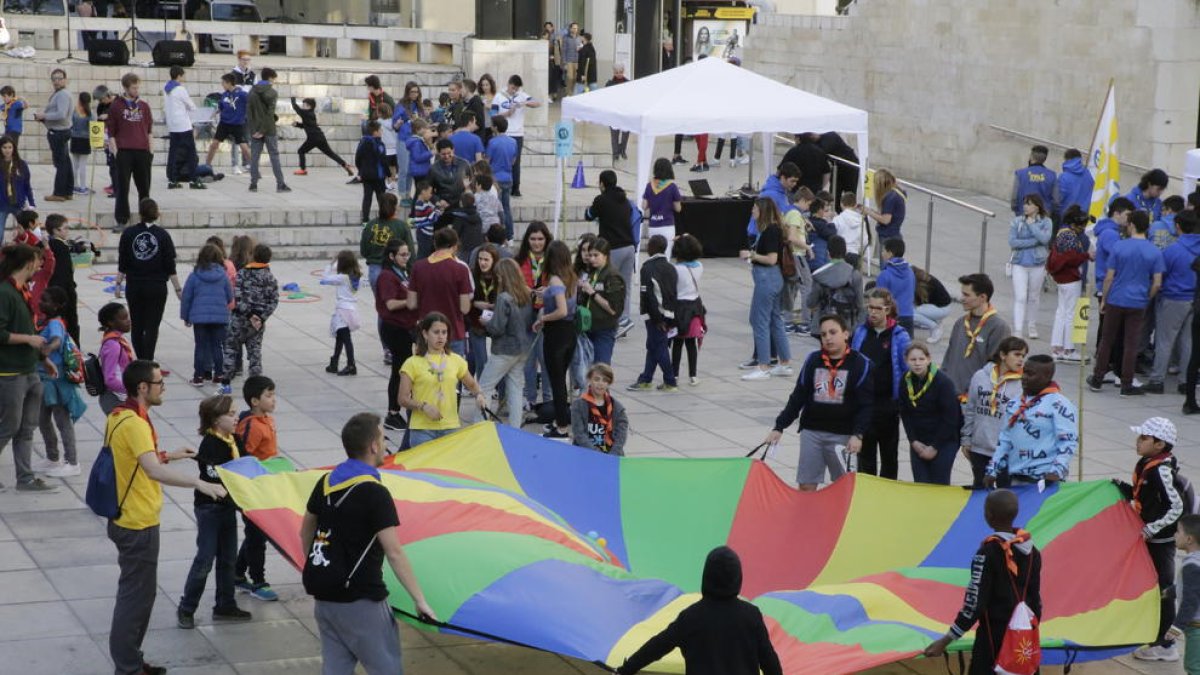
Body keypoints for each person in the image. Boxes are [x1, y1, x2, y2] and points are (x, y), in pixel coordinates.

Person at [104, 359, 226, 674]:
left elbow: (137, 458)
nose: (164, 388)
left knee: (140, 595)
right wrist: (200, 482)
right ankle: (127, 668)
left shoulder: (120, 415)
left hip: (128, 517)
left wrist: (171, 454)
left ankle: (131, 660)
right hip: (137, 522)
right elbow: (151, 470)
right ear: (143, 388)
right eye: (159, 383)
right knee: (136, 599)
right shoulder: (135, 423)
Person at [301, 413, 437, 672]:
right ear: (373, 446)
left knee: (335, 668)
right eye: (383, 438)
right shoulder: (374, 492)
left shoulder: (327, 480)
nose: (385, 444)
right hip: (361, 600)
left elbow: (305, 530)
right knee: (386, 667)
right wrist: (420, 600)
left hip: (325, 598)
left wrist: (316, 565)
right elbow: (394, 551)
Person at [923, 489, 1041, 674]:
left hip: (994, 641)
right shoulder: (1033, 552)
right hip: (1023, 640)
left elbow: (974, 604)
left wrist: (946, 640)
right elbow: (1036, 599)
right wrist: (1027, 629)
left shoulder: (987, 553)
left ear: (989, 515)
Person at [614, 546, 782, 675]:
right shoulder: (751, 616)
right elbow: (769, 662)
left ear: (706, 577)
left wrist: (626, 669)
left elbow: (657, 646)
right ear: (738, 578)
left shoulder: (691, 617)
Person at [766, 314, 873, 490]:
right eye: (823, 334)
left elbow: (866, 405)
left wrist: (858, 434)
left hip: (843, 435)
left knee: (843, 487)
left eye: (833, 332)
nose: (828, 338)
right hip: (812, 432)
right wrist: (779, 427)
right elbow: (798, 396)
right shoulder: (813, 360)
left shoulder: (860, 364)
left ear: (845, 334)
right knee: (806, 484)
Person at [1112, 417, 1186, 662]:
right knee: (1150, 588)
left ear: (1159, 444)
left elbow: (1176, 507)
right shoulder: (1147, 462)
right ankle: (1149, 631)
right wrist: (1121, 488)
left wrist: (1150, 529)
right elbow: (1143, 495)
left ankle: (1165, 645)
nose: (1138, 441)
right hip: (1150, 537)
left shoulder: (1161, 470)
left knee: (1164, 591)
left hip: (1161, 543)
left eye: (1144, 437)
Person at [176, 394, 252, 629]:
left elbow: (246, 463)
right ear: (215, 420)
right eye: (230, 414)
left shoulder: (234, 439)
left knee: (228, 558)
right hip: (209, 508)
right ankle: (187, 607)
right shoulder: (210, 444)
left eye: (236, 412)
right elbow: (216, 476)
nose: (236, 416)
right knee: (205, 558)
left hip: (227, 508)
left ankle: (225, 604)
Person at [1088, 210, 1164, 396]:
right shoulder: (1154, 251)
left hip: (1116, 298)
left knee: (1107, 340)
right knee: (1131, 342)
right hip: (1138, 302)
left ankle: (1097, 378)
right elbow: (1157, 282)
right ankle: (1126, 383)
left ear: (1131, 225)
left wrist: (1104, 298)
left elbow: (1109, 277)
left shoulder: (1119, 247)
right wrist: (1148, 297)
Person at [985, 354, 1078, 486]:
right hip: (1016, 478)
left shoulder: (1059, 405)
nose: (1024, 377)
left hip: (1045, 480)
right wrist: (992, 470)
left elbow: (1068, 441)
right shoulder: (1014, 403)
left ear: (1046, 377)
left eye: (1031, 374)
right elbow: (1005, 439)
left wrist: (1056, 471)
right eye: (1024, 372)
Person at [398, 312, 487, 447]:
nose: (440, 336)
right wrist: (423, 406)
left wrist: (479, 395)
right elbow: (402, 399)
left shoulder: (456, 360)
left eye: (444, 332)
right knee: (425, 468)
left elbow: (472, 384)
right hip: (422, 429)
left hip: (450, 427)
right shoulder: (412, 363)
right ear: (425, 334)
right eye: (436, 332)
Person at [850, 288, 911, 479]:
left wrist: (901, 401)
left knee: (889, 456)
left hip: (888, 405)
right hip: (865, 404)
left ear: (888, 309)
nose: (872, 312)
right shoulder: (861, 331)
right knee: (865, 457)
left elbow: (906, 369)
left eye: (878, 308)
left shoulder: (899, 335)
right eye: (870, 307)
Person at [232, 375, 280, 601]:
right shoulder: (250, 425)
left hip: (266, 484)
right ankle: (258, 580)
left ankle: (237, 573)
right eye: (268, 396)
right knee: (256, 535)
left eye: (273, 395)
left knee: (256, 534)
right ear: (254, 401)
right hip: (252, 488)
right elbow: (243, 457)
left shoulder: (267, 419)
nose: (273, 400)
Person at [113, 199, 179, 360]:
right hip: (156, 286)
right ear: (156, 213)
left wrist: (118, 283)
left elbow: (123, 261)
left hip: (135, 285)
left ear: (140, 213)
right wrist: (178, 288)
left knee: (137, 324)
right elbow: (170, 265)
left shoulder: (128, 233)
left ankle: (141, 358)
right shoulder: (163, 235)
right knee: (152, 325)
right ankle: (148, 359)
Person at [31, 287, 86, 477]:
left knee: (62, 421)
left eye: (45, 300)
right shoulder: (44, 321)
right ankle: (52, 458)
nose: (41, 302)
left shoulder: (55, 323)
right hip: (43, 380)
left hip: (55, 380)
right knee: (43, 420)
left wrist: (46, 349)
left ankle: (72, 462)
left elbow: (57, 340)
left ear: (57, 305)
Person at [961, 337, 1027, 488]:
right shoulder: (980, 376)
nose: (1021, 359)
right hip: (980, 446)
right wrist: (966, 439)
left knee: (1004, 494)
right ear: (1003, 355)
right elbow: (970, 409)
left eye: (1023, 356)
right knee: (980, 489)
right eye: (1016, 354)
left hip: (1005, 451)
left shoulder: (1022, 383)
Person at [477, 257, 534, 428]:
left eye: (499, 276)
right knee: (516, 389)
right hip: (522, 348)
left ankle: (479, 427)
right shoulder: (526, 292)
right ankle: (515, 428)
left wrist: (486, 322)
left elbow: (497, 328)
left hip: (503, 350)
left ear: (504, 276)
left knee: (484, 387)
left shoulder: (504, 298)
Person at [741, 198, 794, 379]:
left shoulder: (770, 231)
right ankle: (784, 363)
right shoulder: (770, 230)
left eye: (755, 208)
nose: (752, 212)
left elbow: (771, 259)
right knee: (774, 319)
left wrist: (752, 254)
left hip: (768, 278)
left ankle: (763, 365)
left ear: (763, 210)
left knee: (759, 320)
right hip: (772, 278)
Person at [1149, 209, 1200, 394]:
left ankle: (1157, 380)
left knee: (1165, 340)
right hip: (1195, 299)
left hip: (1173, 298)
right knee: (1188, 342)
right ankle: (1185, 381)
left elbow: (1161, 274)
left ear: (1178, 226)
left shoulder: (1173, 249)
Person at [219, 244, 278, 395]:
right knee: (255, 352)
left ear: (252, 256)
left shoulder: (243, 273)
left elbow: (237, 296)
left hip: (240, 319)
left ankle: (225, 383)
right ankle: (256, 385)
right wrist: (261, 317)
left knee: (231, 349)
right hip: (257, 324)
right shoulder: (270, 277)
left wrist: (249, 314)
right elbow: (274, 300)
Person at [535, 239, 579, 438]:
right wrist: (547, 294)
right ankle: (561, 418)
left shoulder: (554, 280)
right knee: (561, 379)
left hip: (556, 333)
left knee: (557, 381)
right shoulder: (571, 277)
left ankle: (562, 426)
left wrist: (543, 318)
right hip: (570, 332)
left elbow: (561, 310)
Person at [898, 342, 960, 484]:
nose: (917, 364)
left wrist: (935, 446)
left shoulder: (943, 382)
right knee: (921, 483)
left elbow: (950, 419)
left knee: (939, 484)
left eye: (921, 359)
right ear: (906, 360)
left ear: (929, 359)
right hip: (919, 441)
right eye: (913, 360)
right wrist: (913, 441)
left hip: (943, 441)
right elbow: (905, 413)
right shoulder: (905, 381)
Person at [942, 273, 1012, 397]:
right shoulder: (960, 323)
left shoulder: (999, 327)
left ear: (982, 297)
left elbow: (997, 368)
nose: (961, 298)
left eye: (966, 295)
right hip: (951, 395)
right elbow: (948, 359)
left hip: (976, 399)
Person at [375, 239, 418, 431]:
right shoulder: (386, 276)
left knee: (405, 369)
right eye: (402, 254)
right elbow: (390, 304)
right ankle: (393, 413)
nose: (406, 258)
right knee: (399, 371)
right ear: (391, 256)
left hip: (406, 327)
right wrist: (410, 300)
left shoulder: (402, 272)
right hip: (394, 328)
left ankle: (400, 408)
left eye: (407, 254)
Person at [628, 234, 680, 391]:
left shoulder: (647, 268)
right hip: (669, 313)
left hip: (653, 315)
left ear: (652, 248)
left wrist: (657, 319)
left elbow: (648, 296)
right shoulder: (671, 267)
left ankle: (670, 381)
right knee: (653, 345)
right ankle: (646, 378)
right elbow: (673, 293)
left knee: (659, 347)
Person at [585, 170, 636, 330]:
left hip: (613, 248)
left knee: (608, 283)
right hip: (629, 247)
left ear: (602, 184)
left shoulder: (601, 199)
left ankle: (612, 318)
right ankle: (624, 318)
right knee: (625, 285)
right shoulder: (625, 200)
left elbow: (589, 215)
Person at [106, 73, 154, 228]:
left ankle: (146, 218)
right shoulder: (116, 106)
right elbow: (111, 131)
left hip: (142, 151)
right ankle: (121, 219)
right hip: (124, 151)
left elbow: (149, 130)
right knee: (122, 187)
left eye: (138, 87)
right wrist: (116, 152)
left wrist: (151, 151)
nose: (136, 90)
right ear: (126, 88)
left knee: (144, 187)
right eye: (133, 87)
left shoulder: (144, 106)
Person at [181, 243, 232, 385]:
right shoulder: (223, 275)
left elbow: (187, 297)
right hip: (219, 317)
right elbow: (229, 296)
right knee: (217, 346)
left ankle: (198, 376)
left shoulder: (194, 275)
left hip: (199, 318)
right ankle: (219, 375)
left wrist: (186, 316)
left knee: (200, 346)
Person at [1046, 206, 1092, 361]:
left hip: (1061, 279)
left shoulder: (1061, 233)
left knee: (1061, 312)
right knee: (1070, 314)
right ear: (1075, 224)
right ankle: (1069, 350)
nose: (1083, 228)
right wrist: (1087, 255)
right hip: (1071, 279)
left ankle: (1057, 347)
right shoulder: (1071, 237)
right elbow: (1072, 258)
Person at [1008, 194, 1053, 339]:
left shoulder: (1046, 222)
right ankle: (1018, 329)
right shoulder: (1017, 221)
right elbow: (1013, 242)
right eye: (1025, 204)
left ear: (1037, 207)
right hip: (1019, 263)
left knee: (1033, 296)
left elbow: (1045, 238)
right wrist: (1034, 242)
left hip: (1037, 263)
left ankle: (1032, 325)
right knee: (1020, 297)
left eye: (1029, 204)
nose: (1025, 207)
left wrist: (1033, 225)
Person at [668, 234, 704, 386]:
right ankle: (693, 375)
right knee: (691, 343)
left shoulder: (676, 269)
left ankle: (674, 373)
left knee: (677, 342)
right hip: (695, 308)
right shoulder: (700, 267)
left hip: (680, 308)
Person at [495, 75, 539, 198]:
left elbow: (537, 103)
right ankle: (503, 187)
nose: (514, 90)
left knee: (516, 162)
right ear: (509, 84)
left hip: (518, 134)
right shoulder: (499, 96)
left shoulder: (522, 95)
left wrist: (524, 103)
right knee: (504, 160)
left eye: (516, 88)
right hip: (504, 133)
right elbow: (493, 114)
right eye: (512, 87)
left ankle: (516, 188)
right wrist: (507, 113)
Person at [247, 68, 290, 193]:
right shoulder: (272, 93)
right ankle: (280, 184)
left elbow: (249, 113)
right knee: (274, 156)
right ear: (270, 78)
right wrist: (263, 130)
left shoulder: (252, 91)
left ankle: (253, 184)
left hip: (255, 129)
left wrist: (254, 130)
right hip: (269, 129)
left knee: (254, 157)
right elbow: (269, 113)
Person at [321, 251, 363, 377]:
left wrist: (331, 263)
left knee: (345, 339)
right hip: (352, 310)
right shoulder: (357, 276)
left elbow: (324, 278)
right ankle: (334, 362)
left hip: (342, 310)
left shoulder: (342, 278)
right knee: (340, 337)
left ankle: (351, 365)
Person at [807, 235, 864, 329]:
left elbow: (811, 303)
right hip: (847, 325)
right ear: (845, 252)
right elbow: (859, 304)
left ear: (828, 253)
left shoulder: (819, 274)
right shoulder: (854, 274)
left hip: (823, 324)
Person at [34, 69, 73, 202]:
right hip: (61, 131)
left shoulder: (62, 95)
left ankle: (59, 193)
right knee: (66, 162)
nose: (56, 81)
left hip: (58, 132)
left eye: (59, 78)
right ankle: (68, 191)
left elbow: (61, 114)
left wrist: (43, 115)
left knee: (61, 163)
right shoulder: (61, 94)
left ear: (65, 79)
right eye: (54, 79)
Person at [291, 96, 353, 177]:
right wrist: (297, 125)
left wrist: (293, 99)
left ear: (309, 106)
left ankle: (303, 170)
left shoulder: (306, 113)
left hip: (313, 138)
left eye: (304, 105)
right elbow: (307, 125)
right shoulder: (311, 113)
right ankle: (344, 164)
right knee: (330, 153)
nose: (302, 107)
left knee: (301, 151)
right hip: (320, 137)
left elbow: (296, 109)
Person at [1169, 515, 1200, 672]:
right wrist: (1169, 592)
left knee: (1194, 667)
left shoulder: (1191, 565)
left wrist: (1176, 627)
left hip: (1197, 628)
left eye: (1178, 531)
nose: (1175, 535)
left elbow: (1190, 600)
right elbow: (1192, 587)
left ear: (1189, 539)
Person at [163, 66, 201, 190]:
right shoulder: (180, 89)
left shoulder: (166, 88)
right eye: (183, 75)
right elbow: (191, 106)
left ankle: (173, 180)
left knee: (173, 152)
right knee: (191, 153)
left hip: (172, 125)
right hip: (183, 125)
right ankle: (193, 180)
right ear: (179, 76)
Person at [43, 214, 79, 344]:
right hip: (64, 291)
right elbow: (64, 273)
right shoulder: (61, 247)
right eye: (65, 228)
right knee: (70, 323)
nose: (67, 231)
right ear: (55, 230)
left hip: (52, 289)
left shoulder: (47, 244)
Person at [205, 74, 251, 174]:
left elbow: (252, 102)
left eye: (223, 83)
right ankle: (207, 165)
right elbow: (220, 107)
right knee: (214, 144)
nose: (222, 85)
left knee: (244, 147)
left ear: (229, 83)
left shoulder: (242, 94)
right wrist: (211, 116)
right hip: (224, 124)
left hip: (237, 124)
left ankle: (253, 166)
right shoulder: (224, 95)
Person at [466, 243, 498, 376]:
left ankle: (498, 389)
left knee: (497, 361)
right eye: (480, 259)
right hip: (476, 321)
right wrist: (475, 303)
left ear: (494, 260)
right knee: (481, 361)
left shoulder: (500, 276)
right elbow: (464, 296)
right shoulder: (472, 274)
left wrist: (495, 305)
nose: (482, 263)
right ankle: (482, 391)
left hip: (496, 321)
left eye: (486, 259)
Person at [97, 302, 134, 414]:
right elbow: (110, 379)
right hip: (115, 398)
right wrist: (131, 391)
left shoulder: (116, 340)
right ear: (111, 322)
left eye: (128, 316)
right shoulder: (112, 344)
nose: (128, 321)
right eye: (123, 318)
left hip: (121, 396)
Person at [642, 158, 683, 259]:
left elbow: (644, 206)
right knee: (666, 257)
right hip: (667, 225)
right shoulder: (672, 186)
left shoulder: (649, 185)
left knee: (654, 256)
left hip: (653, 226)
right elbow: (678, 208)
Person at [876, 238, 915, 334]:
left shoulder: (884, 275)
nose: (882, 253)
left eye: (883, 250)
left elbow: (880, 300)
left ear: (890, 253)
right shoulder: (910, 272)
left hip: (891, 318)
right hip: (909, 316)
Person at [486, 116, 517, 236]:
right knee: (506, 207)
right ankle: (510, 235)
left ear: (495, 127)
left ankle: (498, 234)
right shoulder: (513, 141)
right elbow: (513, 160)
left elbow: (487, 161)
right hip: (508, 177)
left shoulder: (492, 142)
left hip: (495, 179)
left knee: (496, 209)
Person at [354, 121, 388, 224]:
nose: (381, 132)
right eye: (380, 130)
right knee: (381, 198)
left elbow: (357, 158)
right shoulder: (379, 144)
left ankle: (365, 219)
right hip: (378, 176)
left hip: (366, 175)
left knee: (367, 197)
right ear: (375, 132)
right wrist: (388, 173)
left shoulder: (362, 142)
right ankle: (384, 218)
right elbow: (383, 160)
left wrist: (361, 170)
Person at [1009, 144, 1056, 217]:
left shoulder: (1020, 173)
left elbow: (1014, 198)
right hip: (1043, 217)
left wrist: (1017, 211)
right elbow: (1056, 200)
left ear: (1031, 156)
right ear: (1045, 159)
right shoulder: (1052, 175)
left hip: (1023, 215)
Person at [0, 134, 34, 231]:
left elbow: (27, 185)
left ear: (14, 148)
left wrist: (31, 203)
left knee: (25, 232)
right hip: (2, 205)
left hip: (18, 204)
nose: (7, 150)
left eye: (10, 147)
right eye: (4, 147)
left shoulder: (21, 164)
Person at [912, 265, 953, 343]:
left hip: (942, 309)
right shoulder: (923, 278)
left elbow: (918, 302)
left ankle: (935, 327)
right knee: (912, 310)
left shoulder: (923, 284)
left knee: (911, 313)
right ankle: (931, 321)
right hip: (938, 306)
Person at [865, 168, 906, 245]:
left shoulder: (890, 197)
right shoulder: (895, 194)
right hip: (893, 235)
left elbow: (885, 220)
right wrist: (871, 211)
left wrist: (869, 212)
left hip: (888, 237)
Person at [429, 138, 471, 207]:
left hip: (462, 204)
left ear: (453, 150)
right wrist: (438, 200)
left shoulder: (464, 164)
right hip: (444, 206)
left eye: (449, 153)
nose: (447, 156)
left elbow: (471, 183)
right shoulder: (433, 169)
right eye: (443, 154)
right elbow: (428, 191)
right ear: (438, 153)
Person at [1053, 148, 1093, 217]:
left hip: (1066, 216)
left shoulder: (1063, 177)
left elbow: (1057, 200)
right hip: (1083, 217)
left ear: (1067, 160)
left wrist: (1057, 212)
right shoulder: (1089, 175)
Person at [832, 191, 867, 267]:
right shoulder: (861, 221)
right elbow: (864, 241)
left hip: (840, 254)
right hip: (855, 254)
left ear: (841, 204)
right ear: (855, 205)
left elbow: (833, 237)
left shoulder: (837, 219)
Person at [69, 91, 93, 195]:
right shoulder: (90, 113)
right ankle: (83, 187)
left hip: (75, 138)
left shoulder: (74, 111)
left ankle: (74, 185)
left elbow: (70, 124)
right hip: (85, 140)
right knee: (83, 165)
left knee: (75, 164)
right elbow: (93, 127)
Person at [605, 65, 631, 160]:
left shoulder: (628, 83)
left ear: (623, 71)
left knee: (625, 133)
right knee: (614, 135)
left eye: (620, 72)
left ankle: (622, 150)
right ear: (614, 72)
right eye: (617, 72)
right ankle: (615, 153)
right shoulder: (609, 83)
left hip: (625, 112)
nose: (619, 74)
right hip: (613, 113)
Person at [562, 23, 581, 96]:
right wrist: (565, 63)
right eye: (573, 28)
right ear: (570, 29)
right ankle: (568, 93)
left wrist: (580, 49)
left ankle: (573, 93)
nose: (575, 30)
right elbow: (563, 50)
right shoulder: (566, 38)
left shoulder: (579, 38)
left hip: (577, 61)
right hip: (569, 61)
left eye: (576, 28)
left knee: (575, 78)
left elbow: (581, 48)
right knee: (570, 77)